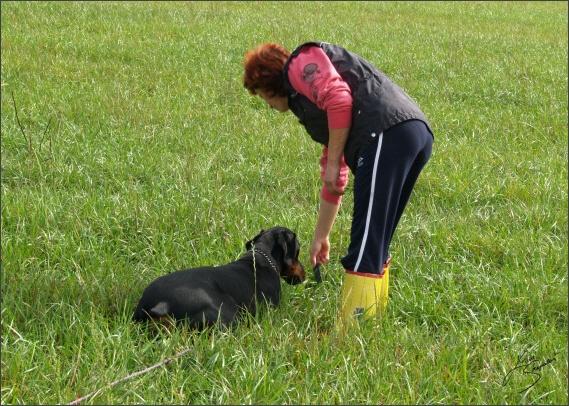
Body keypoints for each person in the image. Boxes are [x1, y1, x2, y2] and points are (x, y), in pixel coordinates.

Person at [243, 41, 433, 323]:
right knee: (376, 241)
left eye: (262, 97)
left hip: (385, 132)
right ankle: (372, 322)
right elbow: (335, 178)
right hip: (411, 133)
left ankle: (352, 334)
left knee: (365, 247)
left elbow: (340, 100)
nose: (268, 105)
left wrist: (333, 163)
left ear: (268, 82)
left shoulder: (300, 64)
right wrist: (321, 236)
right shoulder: (312, 101)